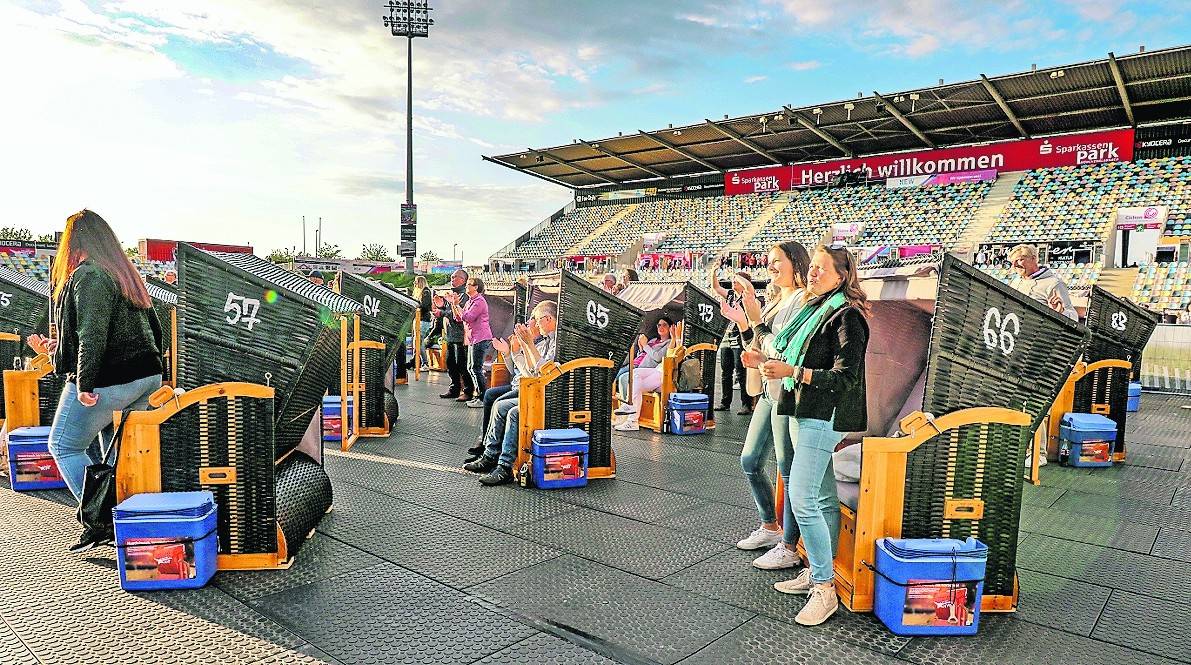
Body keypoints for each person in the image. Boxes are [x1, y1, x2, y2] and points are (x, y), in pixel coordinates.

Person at [33, 210, 164, 553]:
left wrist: (85, 383)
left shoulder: (89, 275)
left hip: (110, 378)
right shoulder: (125, 273)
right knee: (114, 456)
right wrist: (60, 349)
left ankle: (102, 518)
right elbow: (156, 329)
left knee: (64, 445)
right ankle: (125, 518)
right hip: (146, 376)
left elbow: (92, 334)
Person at [756, 244, 870, 627]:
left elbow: (846, 377)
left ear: (841, 276)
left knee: (802, 496)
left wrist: (796, 372)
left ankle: (824, 588)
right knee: (821, 496)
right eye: (814, 268)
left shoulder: (848, 317)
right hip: (801, 409)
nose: (814, 273)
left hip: (824, 415)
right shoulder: (811, 309)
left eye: (822, 269)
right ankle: (822, 573)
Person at [720, 242, 811, 572]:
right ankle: (770, 527)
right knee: (751, 460)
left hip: (786, 392)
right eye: (769, 262)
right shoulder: (775, 300)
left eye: (777, 261)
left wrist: (755, 320)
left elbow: (783, 351)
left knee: (787, 469)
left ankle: (789, 544)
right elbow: (757, 346)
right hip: (769, 392)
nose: (771, 267)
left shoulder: (803, 301)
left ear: (796, 263)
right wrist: (745, 320)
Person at [465, 301, 558, 485]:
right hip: (532, 388)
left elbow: (540, 373)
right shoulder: (548, 341)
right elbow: (532, 372)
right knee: (497, 402)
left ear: (548, 319)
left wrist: (525, 346)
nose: (536, 324)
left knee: (511, 411)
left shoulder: (555, 343)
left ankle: (504, 466)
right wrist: (517, 351)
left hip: (545, 394)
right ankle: (490, 455)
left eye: (537, 320)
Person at [612, 316, 674, 432]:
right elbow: (643, 355)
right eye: (659, 325)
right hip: (640, 367)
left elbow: (657, 357)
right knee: (631, 375)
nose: (661, 327)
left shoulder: (670, 342)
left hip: (654, 370)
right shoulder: (652, 341)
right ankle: (629, 409)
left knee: (626, 378)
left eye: (664, 325)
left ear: (670, 328)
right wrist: (642, 347)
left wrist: (645, 346)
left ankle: (630, 416)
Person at [710, 266, 752, 415]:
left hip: (740, 335)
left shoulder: (748, 297)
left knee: (741, 371)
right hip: (727, 334)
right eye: (733, 281)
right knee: (725, 371)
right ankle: (725, 402)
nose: (733, 284)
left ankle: (746, 404)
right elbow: (716, 287)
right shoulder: (730, 295)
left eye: (737, 281)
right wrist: (713, 272)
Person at [447, 276, 492, 408]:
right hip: (473, 338)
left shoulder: (479, 302)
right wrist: (454, 304)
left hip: (481, 337)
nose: (466, 287)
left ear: (476, 287)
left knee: (475, 368)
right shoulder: (470, 302)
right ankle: (478, 395)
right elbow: (459, 318)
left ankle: (482, 397)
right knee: (471, 367)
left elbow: (469, 317)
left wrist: (457, 306)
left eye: (469, 285)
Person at [1007, 244, 1077, 320]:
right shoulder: (1014, 282)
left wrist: (1061, 312)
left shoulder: (1054, 283)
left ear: (1033, 259)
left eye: (1019, 260)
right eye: (1012, 262)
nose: (1014, 265)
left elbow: (1074, 318)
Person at [438, 269, 474, 401]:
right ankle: (454, 389)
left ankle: (468, 391)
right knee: (451, 363)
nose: (452, 279)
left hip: (460, 336)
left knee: (462, 365)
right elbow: (447, 311)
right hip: (450, 336)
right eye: (452, 277)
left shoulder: (464, 296)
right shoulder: (451, 295)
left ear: (463, 280)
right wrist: (440, 307)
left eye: (455, 277)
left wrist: (441, 313)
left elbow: (459, 316)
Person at [414, 275, 433, 371]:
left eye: (416, 282)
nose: (414, 284)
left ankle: (425, 363)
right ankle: (416, 362)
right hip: (420, 319)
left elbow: (425, 306)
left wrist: (416, 306)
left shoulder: (425, 292)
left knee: (418, 342)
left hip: (423, 319)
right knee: (416, 342)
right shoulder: (425, 292)